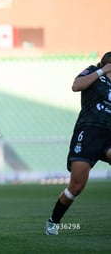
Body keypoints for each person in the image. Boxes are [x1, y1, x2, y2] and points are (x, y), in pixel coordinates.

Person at [45, 52, 111, 235]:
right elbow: (76, 86)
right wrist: (102, 71)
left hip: (109, 135)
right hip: (88, 132)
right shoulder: (94, 71)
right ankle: (53, 221)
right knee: (76, 186)